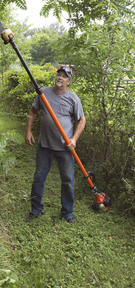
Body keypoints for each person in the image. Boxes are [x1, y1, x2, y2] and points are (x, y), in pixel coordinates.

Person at [25, 66, 86, 224]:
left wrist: (74, 140)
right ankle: (36, 210)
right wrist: (28, 131)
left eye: (64, 76)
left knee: (67, 180)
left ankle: (67, 212)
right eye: (59, 74)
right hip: (44, 146)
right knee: (38, 178)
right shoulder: (43, 93)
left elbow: (82, 120)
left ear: (69, 81)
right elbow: (32, 112)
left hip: (65, 149)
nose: (60, 77)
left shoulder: (73, 98)